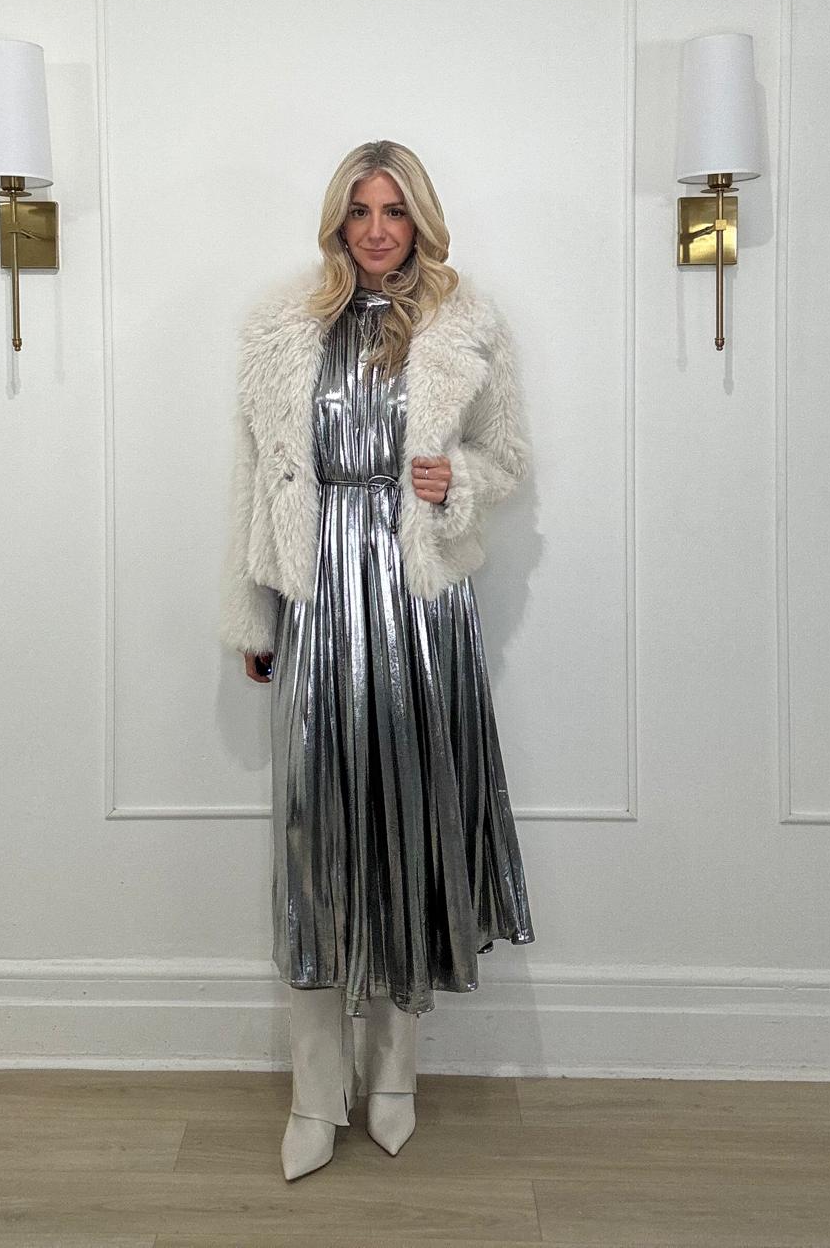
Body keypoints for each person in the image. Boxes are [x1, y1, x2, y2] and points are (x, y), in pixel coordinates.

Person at [219, 139, 534, 1180]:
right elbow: (255, 479)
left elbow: (507, 458)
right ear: (338, 222)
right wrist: (256, 616)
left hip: (417, 599)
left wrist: (458, 479)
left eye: (394, 210)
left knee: (409, 825)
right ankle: (316, 1091)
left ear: (419, 221)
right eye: (359, 210)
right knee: (315, 835)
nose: (377, 229)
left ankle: (395, 1076)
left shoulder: (465, 322)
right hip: (318, 588)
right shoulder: (283, 328)